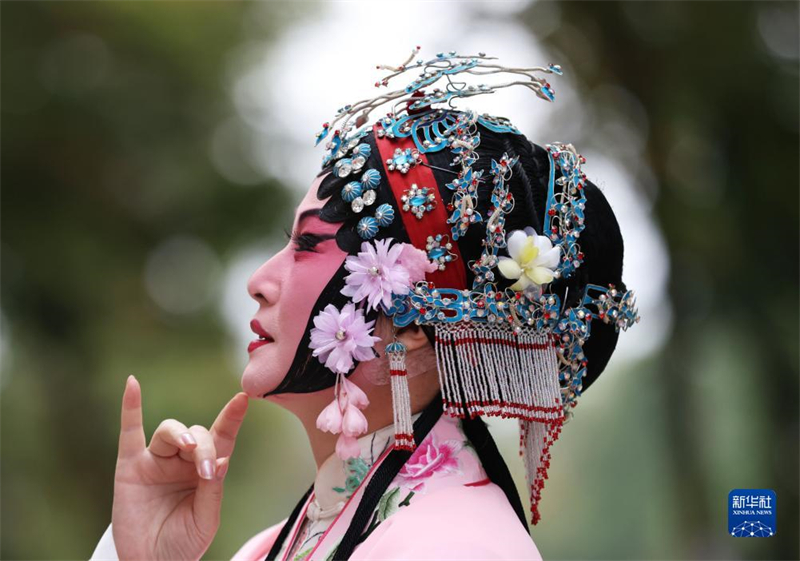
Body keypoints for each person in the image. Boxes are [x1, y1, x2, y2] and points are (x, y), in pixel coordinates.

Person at [91, 48, 640, 561]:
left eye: (307, 245)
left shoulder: (456, 545)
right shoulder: (271, 548)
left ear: (413, 322)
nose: (259, 281)